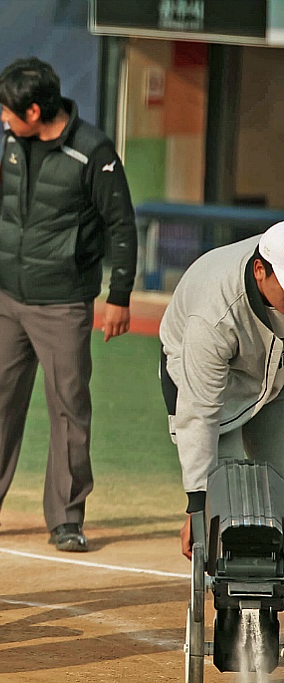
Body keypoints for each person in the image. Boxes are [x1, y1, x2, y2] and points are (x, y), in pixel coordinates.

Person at [0, 57, 138, 552]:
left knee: (68, 408)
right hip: (9, 297)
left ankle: (66, 518)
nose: (2, 119)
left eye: (9, 111)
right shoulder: (14, 139)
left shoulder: (93, 152)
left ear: (34, 111)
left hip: (63, 302)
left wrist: (119, 295)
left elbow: (121, 224)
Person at [159, 223, 284, 559]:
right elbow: (199, 414)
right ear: (260, 271)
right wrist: (197, 506)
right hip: (212, 381)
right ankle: (233, 581)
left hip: (275, 374)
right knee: (225, 494)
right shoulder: (213, 315)